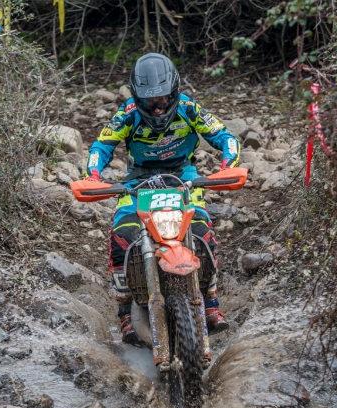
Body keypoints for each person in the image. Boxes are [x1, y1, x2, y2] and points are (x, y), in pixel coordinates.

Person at [84, 53, 241, 345]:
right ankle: (124, 311)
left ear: (175, 92)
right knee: (122, 234)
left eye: (163, 100)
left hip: (184, 176)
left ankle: (210, 303)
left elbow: (226, 137)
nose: (157, 109)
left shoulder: (189, 108)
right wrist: (93, 175)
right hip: (138, 180)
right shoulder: (128, 113)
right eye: (149, 102)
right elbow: (101, 146)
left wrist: (227, 166)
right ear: (136, 97)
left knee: (202, 231)